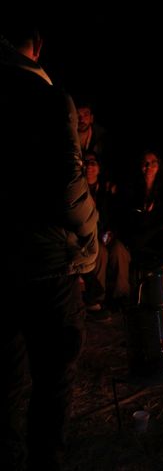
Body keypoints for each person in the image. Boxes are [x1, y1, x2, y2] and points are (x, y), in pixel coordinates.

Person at [1, 24, 99, 470]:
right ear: (36, 43)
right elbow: (68, 189)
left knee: (4, 381)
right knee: (53, 378)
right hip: (44, 265)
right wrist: (91, 238)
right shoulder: (47, 99)